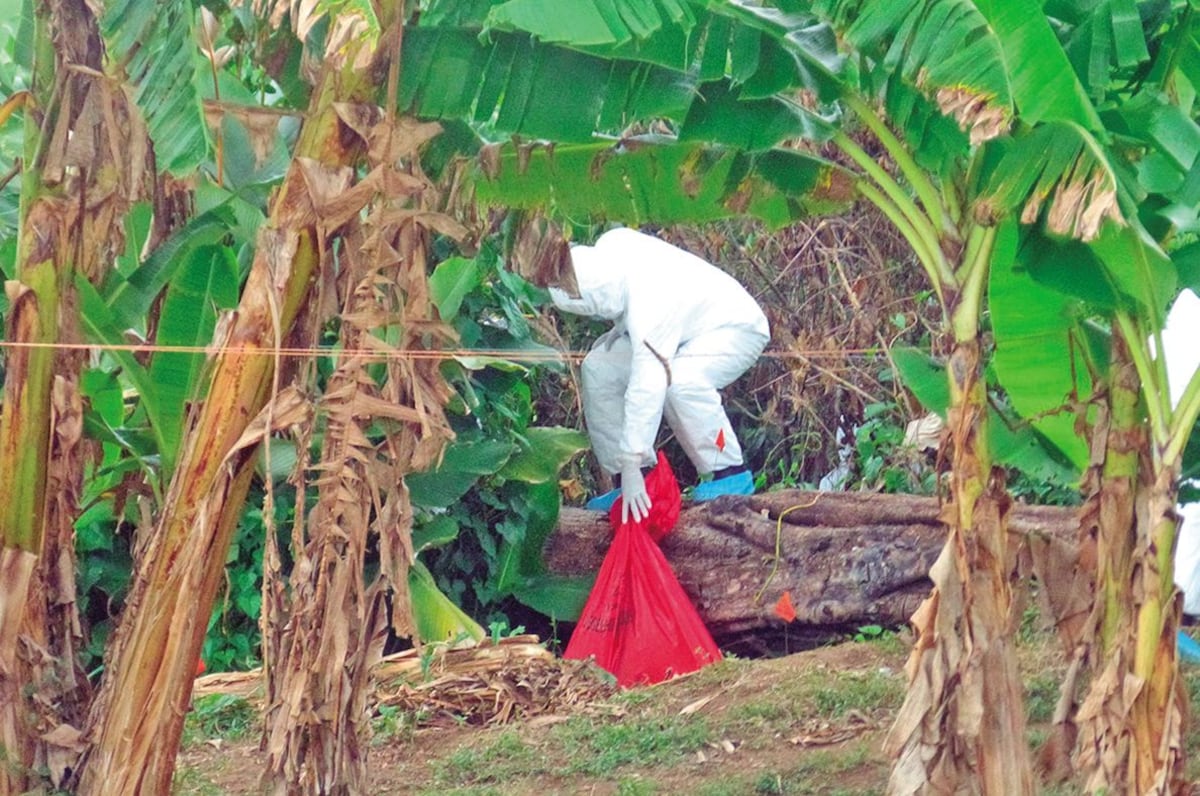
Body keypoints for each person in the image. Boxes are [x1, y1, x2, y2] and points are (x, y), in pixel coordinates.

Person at [549, 227, 770, 522]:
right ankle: (637, 483)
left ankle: (728, 474)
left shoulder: (650, 305)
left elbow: (648, 383)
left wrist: (631, 458)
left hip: (733, 327)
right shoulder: (611, 245)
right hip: (681, 329)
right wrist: (623, 326)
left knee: (682, 383)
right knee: (599, 368)